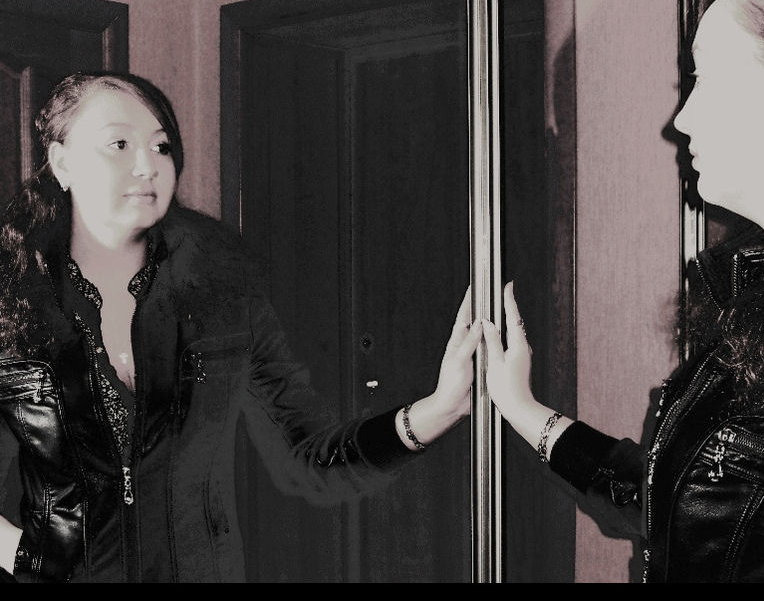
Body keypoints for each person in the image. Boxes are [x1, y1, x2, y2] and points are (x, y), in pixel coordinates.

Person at [0, 71, 481, 583]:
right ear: (62, 163)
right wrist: (35, 565)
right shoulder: (13, 303)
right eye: (119, 144)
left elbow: (309, 458)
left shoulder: (222, 293)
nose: (147, 165)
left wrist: (439, 410)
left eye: (161, 147)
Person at [482, 0, 764, 583]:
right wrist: (518, 403)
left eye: (707, 78)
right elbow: (673, 496)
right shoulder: (758, 296)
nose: (681, 119)